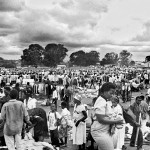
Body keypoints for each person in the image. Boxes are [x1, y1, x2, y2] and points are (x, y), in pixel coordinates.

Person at [91, 82, 123, 150]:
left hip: (105, 130)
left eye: (113, 93)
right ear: (104, 91)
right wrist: (116, 121)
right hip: (99, 131)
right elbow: (101, 119)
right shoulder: (101, 101)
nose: (112, 95)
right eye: (111, 93)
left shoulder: (106, 101)